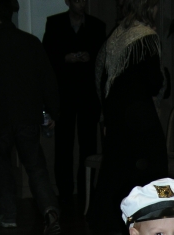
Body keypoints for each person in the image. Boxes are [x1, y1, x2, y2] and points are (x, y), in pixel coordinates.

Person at [91, 0, 168, 235]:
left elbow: (101, 76)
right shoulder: (146, 36)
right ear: (148, 7)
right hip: (139, 116)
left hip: (116, 115)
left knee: (116, 168)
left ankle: (111, 223)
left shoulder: (117, 35)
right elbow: (153, 81)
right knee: (151, 169)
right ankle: (153, 222)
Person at [0, 0, 61, 235]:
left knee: (2, 166)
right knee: (36, 167)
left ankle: (8, 216)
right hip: (27, 116)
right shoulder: (30, 42)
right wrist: (53, 111)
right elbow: (47, 80)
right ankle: (50, 211)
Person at [42, 0, 106, 209]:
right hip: (64, 94)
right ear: (68, 1)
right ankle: (65, 191)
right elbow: (46, 57)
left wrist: (90, 57)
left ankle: (87, 190)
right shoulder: (55, 23)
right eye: (77, 0)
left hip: (88, 94)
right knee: (63, 144)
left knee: (88, 144)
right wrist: (65, 58)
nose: (82, 3)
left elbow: (103, 59)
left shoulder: (97, 25)